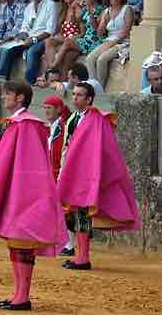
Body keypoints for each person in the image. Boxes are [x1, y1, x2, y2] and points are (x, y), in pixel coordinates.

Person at [0, 82, 68, 311]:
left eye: (8, 94)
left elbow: (29, 165)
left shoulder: (26, 124)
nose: (4, 98)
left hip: (25, 191)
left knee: (22, 243)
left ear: (20, 98)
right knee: (15, 243)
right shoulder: (20, 123)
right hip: (17, 189)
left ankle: (22, 296)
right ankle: (18, 294)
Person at [57, 82, 140, 270]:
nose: (75, 97)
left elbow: (104, 149)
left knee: (83, 214)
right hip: (72, 170)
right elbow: (68, 147)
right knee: (75, 213)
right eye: (74, 94)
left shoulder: (97, 120)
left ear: (89, 99)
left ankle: (83, 257)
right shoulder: (73, 119)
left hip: (87, 173)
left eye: (79, 95)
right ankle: (80, 254)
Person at [0, 0, 58, 84]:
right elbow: (25, 27)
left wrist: (34, 39)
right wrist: (23, 35)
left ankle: (29, 83)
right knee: (5, 50)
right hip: (27, 38)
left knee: (31, 52)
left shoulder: (51, 5)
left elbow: (50, 30)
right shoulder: (29, 6)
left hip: (42, 39)